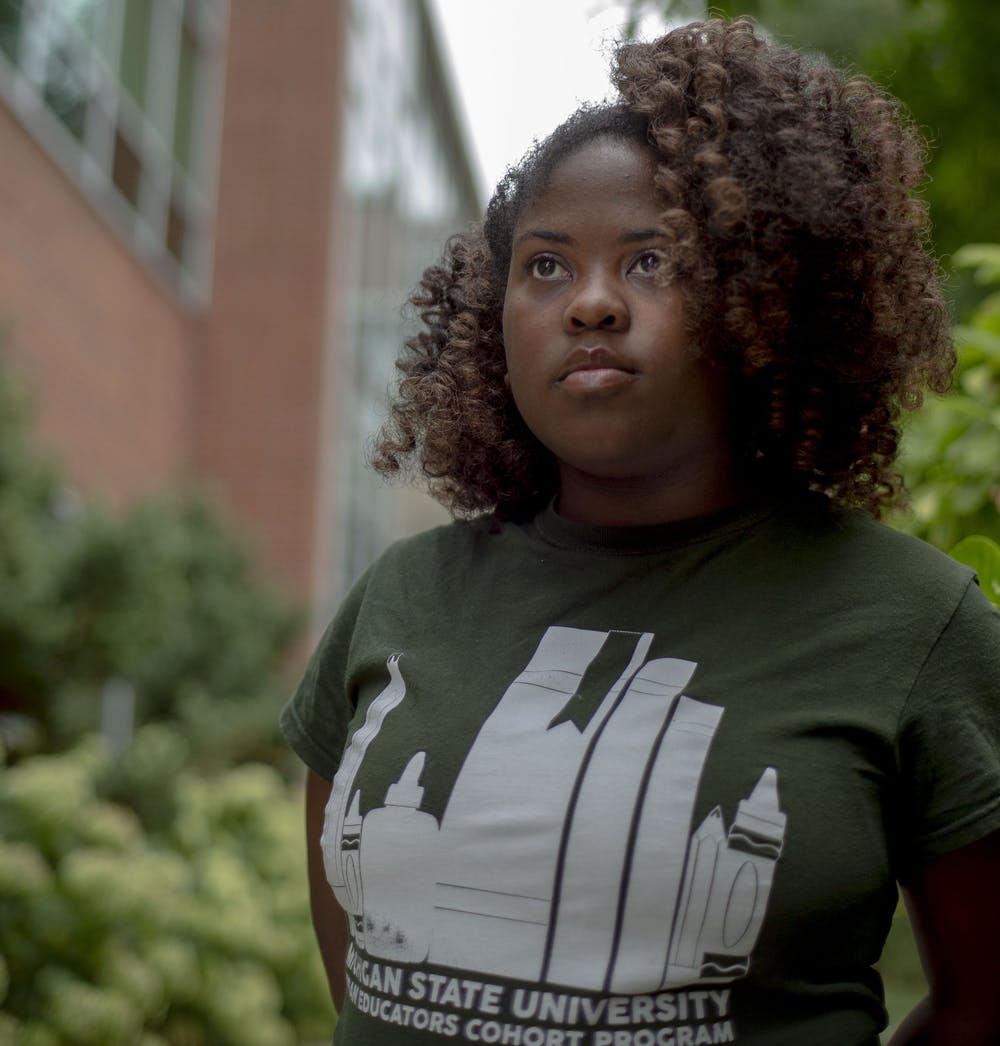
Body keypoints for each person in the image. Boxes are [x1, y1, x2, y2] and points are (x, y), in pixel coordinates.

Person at [281, 17, 1000, 1046]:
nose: (590, 305)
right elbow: (372, 981)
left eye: (653, 260)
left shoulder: (915, 624)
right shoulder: (400, 596)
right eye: (545, 267)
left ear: (768, 295)